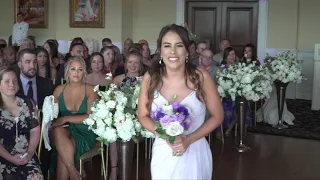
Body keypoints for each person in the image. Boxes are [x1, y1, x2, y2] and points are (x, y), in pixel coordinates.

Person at [138, 24, 223, 179]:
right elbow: (143, 116)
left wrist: (188, 139)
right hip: (164, 151)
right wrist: (166, 137)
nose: (173, 51)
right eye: (167, 46)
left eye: (179, 46)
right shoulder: (150, 78)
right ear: (160, 50)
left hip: (195, 150)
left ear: (187, 50)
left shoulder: (201, 77)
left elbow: (218, 116)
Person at [50, 56, 98, 180]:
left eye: (80, 69)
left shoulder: (91, 90)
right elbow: (52, 116)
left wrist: (66, 118)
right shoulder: (58, 90)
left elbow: (90, 117)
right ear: (67, 72)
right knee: (58, 132)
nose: (76, 73)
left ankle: (72, 171)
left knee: (63, 152)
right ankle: (73, 171)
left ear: (84, 72)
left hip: (84, 131)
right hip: (64, 130)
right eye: (73, 69)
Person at [0, 67, 43, 179]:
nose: (12, 84)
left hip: (26, 155)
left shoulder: (27, 103)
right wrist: (11, 158)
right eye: (7, 81)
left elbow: (35, 130)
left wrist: (30, 152)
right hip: (2, 156)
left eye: (15, 80)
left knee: (35, 177)